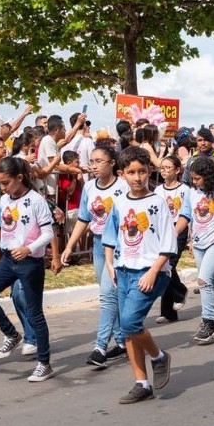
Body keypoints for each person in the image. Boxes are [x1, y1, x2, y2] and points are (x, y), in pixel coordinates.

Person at [102, 147, 176, 404]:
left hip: (151, 271)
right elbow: (111, 236)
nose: (137, 177)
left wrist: (153, 271)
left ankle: (159, 357)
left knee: (130, 323)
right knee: (128, 331)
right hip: (124, 271)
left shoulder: (158, 202)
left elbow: (168, 243)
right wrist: (110, 264)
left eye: (142, 171)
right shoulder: (119, 202)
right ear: (122, 174)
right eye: (131, 172)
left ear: (149, 171)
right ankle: (141, 383)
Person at [0, 157, 56, 382]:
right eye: (0, 183)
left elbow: (48, 233)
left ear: (19, 178)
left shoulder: (36, 200)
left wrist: (28, 249)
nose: (3, 188)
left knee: (34, 312)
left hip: (30, 262)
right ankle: (11, 334)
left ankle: (44, 363)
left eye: (6, 182)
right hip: (7, 259)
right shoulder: (4, 199)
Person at [61, 146, 129, 368]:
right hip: (99, 244)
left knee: (108, 295)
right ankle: (122, 341)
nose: (94, 165)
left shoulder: (123, 186)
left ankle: (100, 347)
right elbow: (84, 218)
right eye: (91, 161)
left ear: (112, 163)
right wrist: (69, 246)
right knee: (109, 294)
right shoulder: (89, 187)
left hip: (119, 247)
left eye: (100, 161)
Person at [177, 156, 214, 344]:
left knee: (203, 280)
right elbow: (185, 216)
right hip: (200, 245)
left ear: (208, 176)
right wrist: (173, 234)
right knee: (211, 282)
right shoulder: (192, 193)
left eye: (197, 178)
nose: (194, 182)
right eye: (192, 178)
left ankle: (207, 322)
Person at [153, 156, 190, 324]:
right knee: (164, 267)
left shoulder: (185, 190)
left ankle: (180, 292)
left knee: (170, 265)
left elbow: (189, 214)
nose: (164, 171)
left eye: (168, 167)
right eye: (162, 168)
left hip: (179, 229)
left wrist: (190, 237)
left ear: (177, 170)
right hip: (162, 229)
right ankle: (168, 312)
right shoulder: (158, 190)